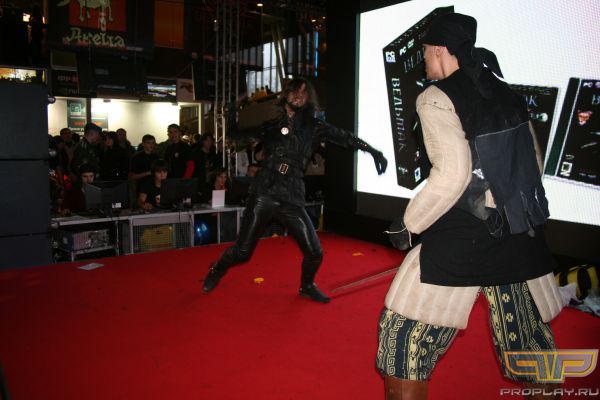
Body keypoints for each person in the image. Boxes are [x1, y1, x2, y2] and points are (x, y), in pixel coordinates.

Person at [376, 13, 563, 399]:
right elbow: (534, 162)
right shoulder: (508, 93)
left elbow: (453, 175)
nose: (424, 62)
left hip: (463, 239)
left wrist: (409, 223)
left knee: (404, 345)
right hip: (519, 235)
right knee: (529, 349)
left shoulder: (435, 97)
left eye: (425, 53)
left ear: (439, 50)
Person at [202, 77, 388, 303]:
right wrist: (231, 109)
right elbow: (235, 135)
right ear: (286, 95)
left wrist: (374, 151)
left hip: (291, 196)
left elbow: (345, 138)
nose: (298, 96)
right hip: (264, 192)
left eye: (303, 93)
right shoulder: (271, 126)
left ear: (308, 98)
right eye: (294, 92)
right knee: (242, 252)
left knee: (315, 252)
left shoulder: (315, 126)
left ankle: (307, 285)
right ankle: (217, 269)